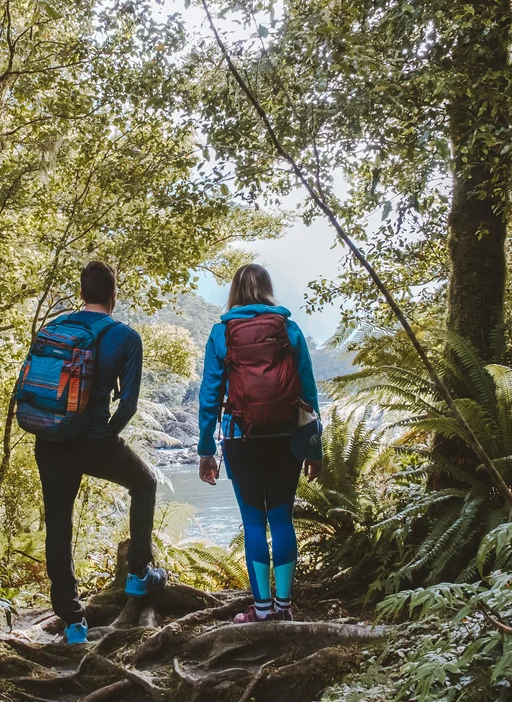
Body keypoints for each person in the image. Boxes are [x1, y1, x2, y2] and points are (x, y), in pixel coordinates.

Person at [32, 261, 167, 644]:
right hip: (94, 441)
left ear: (81, 292)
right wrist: (104, 436)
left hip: (50, 441)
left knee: (58, 527)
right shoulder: (124, 337)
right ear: (113, 294)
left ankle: (73, 623)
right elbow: (128, 405)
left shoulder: (54, 328)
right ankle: (139, 574)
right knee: (144, 483)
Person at [197, 264, 323, 623]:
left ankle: (262, 610)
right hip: (287, 437)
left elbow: (209, 396)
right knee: (281, 518)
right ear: (268, 289)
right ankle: (284, 608)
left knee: (254, 522)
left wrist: (207, 450)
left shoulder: (222, 334)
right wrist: (314, 448)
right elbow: (309, 393)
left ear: (234, 292)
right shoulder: (289, 329)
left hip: (240, 437)